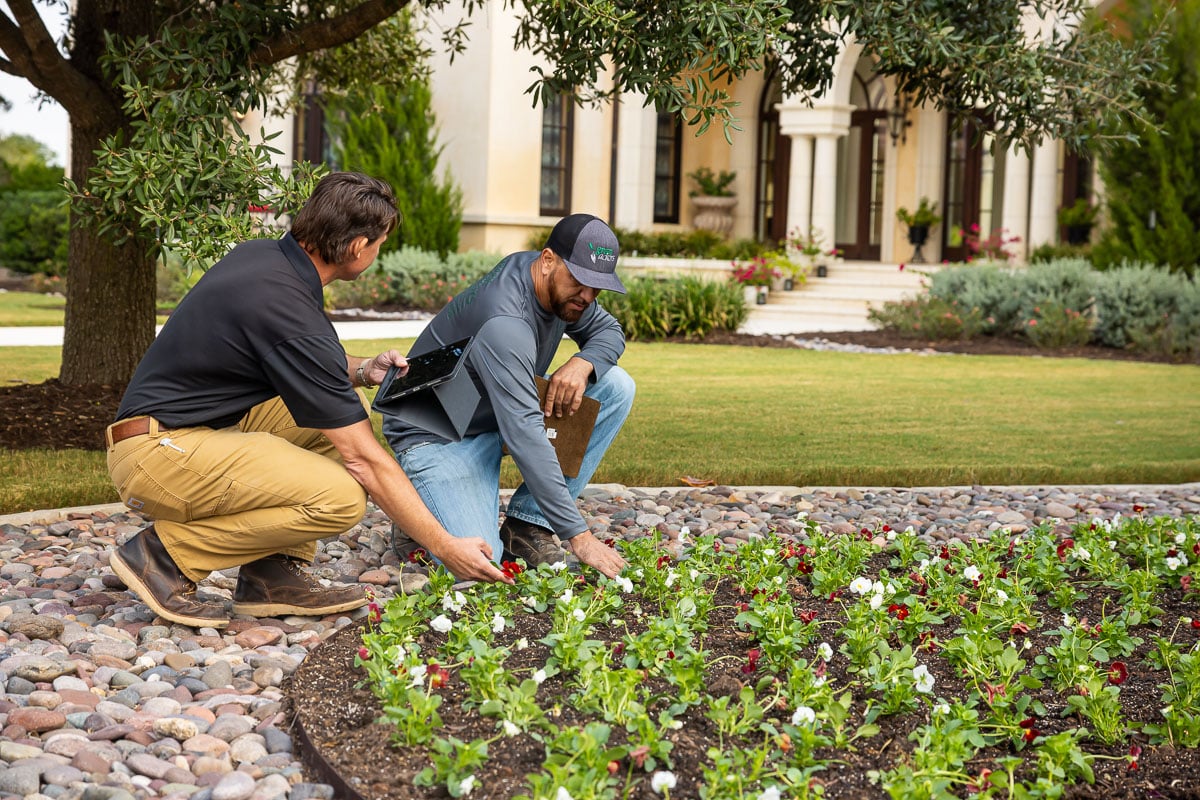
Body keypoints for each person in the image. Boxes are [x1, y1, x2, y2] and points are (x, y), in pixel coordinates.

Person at [105, 172, 510, 630]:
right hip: (158, 456)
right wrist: (445, 544)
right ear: (358, 246)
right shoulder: (287, 307)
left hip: (184, 432)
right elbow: (366, 462)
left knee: (321, 422)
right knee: (341, 496)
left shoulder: (262, 259)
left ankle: (272, 576)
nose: (378, 253)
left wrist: (363, 371)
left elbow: (305, 360)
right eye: (380, 244)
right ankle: (162, 557)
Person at [383, 213, 634, 579]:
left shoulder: (551, 284)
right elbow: (525, 433)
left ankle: (527, 523)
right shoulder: (505, 319)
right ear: (548, 260)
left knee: (615, 387)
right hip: (434, 437)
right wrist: (579, 536)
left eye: (597, 287)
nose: (588, 296)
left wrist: (583, 362)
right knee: (480, 561)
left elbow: (609, 331)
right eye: (581, 282)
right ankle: (414, 511)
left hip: (489, 416)